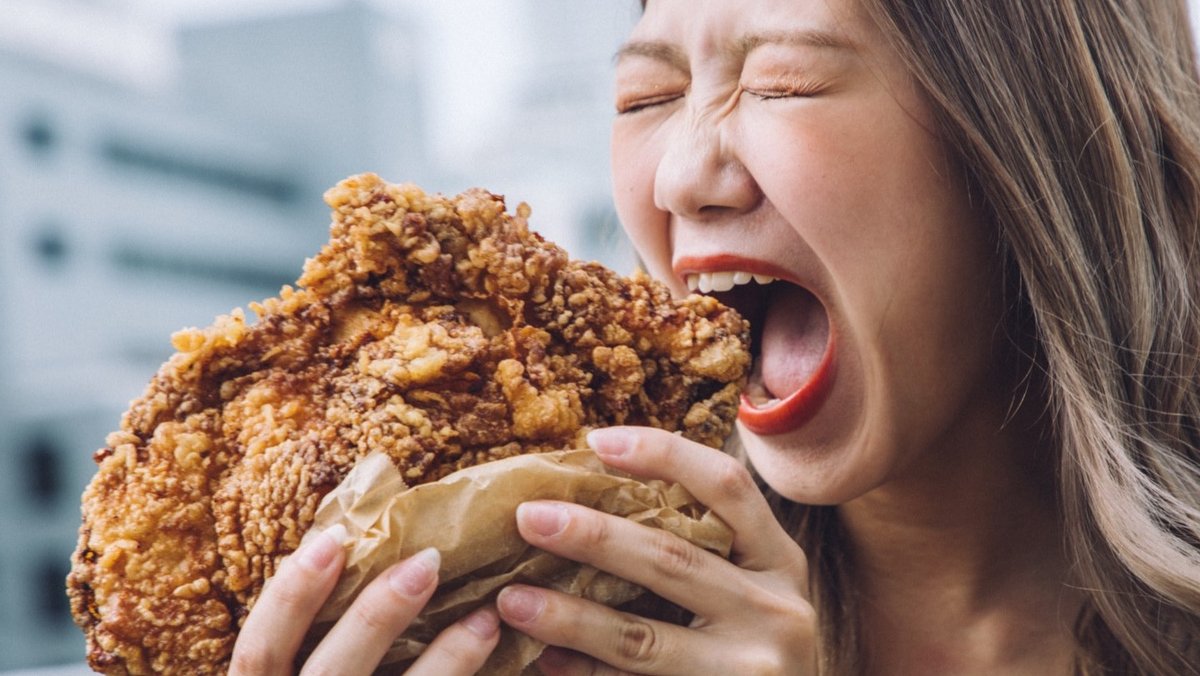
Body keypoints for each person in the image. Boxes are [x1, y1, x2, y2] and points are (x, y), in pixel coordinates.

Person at [229, 0, 1200, 673]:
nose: (680, 177)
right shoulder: (538, 609)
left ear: (1028, 146)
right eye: (645, 101)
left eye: (782, 83)